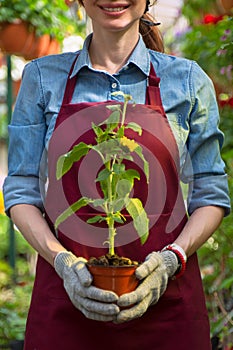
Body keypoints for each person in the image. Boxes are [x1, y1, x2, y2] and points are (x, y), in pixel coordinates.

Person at [3, 0, 231, 349]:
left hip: (168, 308)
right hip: (66, 304)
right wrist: (62, 262)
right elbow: (21, 191)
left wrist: (173, 259)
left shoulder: (185, 81)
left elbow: (211, 194)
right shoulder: (41, 78)